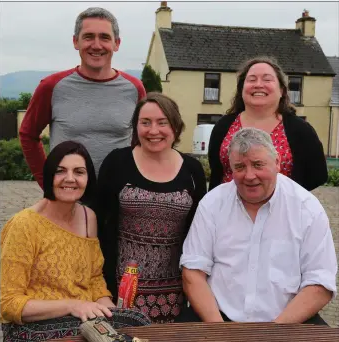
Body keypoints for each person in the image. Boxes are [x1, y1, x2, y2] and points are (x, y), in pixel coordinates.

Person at [180, 128, 337, 325]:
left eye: (258, 164)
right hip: (217, 318)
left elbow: (320, 284)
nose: (249, 175)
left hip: (288, 322)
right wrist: (220, 332)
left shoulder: (307, 208)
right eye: (239, 167)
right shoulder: (212, 203)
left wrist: (271, 334)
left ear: (277, 163)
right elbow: (193, 272)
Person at [0, 141, 150, 342]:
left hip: (81, 321)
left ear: (88, 179)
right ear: (49, 176)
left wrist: (109, 310)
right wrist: (73, 305)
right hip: (32, 329)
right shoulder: (24, 225)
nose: (69, 179)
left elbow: (95, 279)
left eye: (79, 172)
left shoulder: (89, 218)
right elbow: (9, 304)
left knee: (136, 322)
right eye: (60, 171)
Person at [95, 92, 207, 323]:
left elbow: (200, 231)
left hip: (175, 291)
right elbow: (98, 222)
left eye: (162, 122)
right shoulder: (117, 162)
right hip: (121, 287)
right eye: (145, 123)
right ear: (136, 127)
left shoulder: (192, 170)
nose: (153, 130)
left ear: (175, 126)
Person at [19, 7, 146, 189]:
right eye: (88, 37)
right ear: (75, 41)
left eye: (104, 37)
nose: (96, 45)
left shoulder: (135, 89)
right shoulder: (51, 86)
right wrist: (48, 182)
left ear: (116, 44)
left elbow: (141, 140)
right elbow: (28, 134)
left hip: (118, 201)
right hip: (67, 199)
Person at [208, 56, 328, 191]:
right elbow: (216, 171)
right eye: (252, 79)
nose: (258, 84)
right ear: (241, 89)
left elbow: (318, 175)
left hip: (283, 209)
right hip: (229, 208)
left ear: (281, 90)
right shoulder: (223, 126)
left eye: (267, 79)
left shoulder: (300, 130)